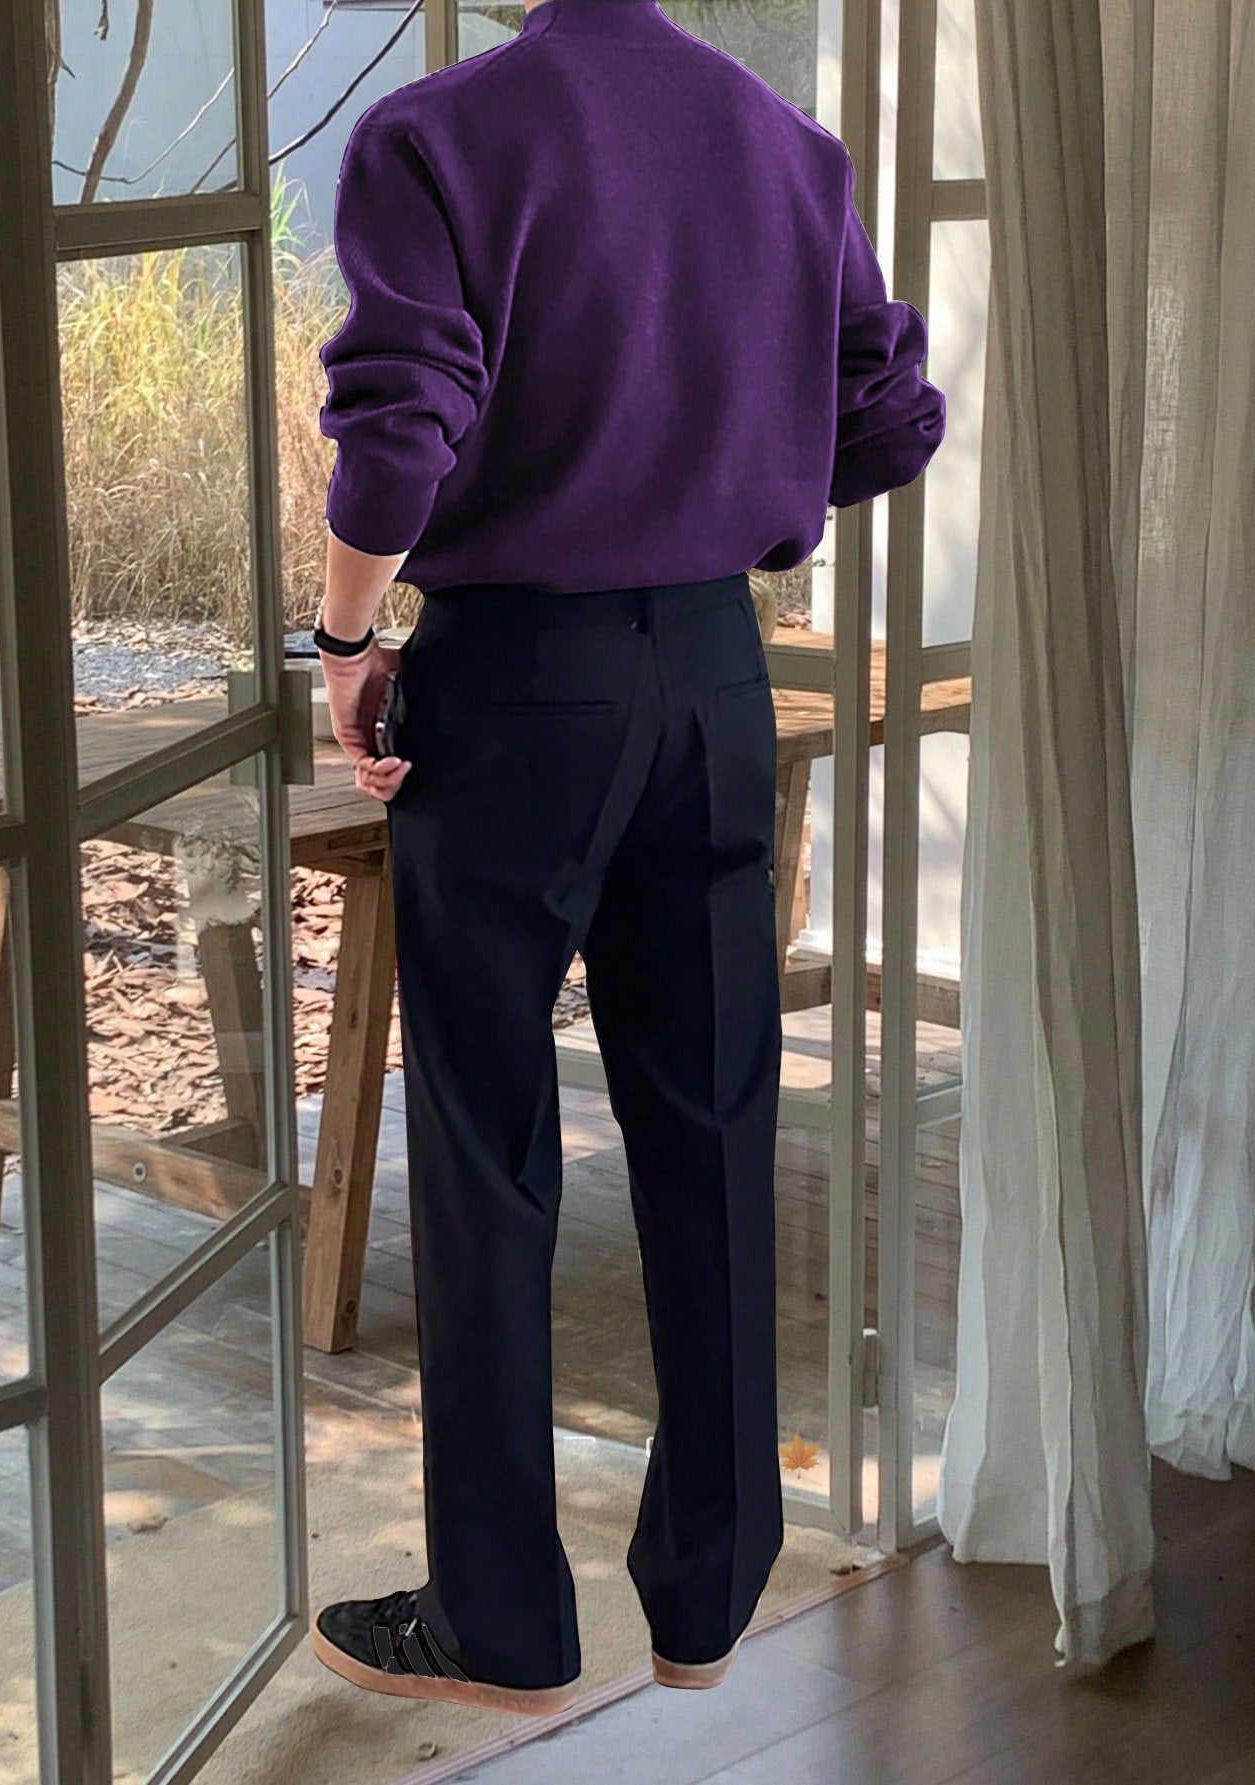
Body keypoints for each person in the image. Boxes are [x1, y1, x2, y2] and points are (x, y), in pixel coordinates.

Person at [309, 0, 945, 1721]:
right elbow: (890, 420)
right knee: (714, 1118)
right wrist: (714, 456)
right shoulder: (785, 146)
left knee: (487, 1143)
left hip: (516, 685)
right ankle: (709, 1593)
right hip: (719, 675)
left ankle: (501, 1622)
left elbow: (401, 427)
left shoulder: (437, 137)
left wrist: (344, 637)